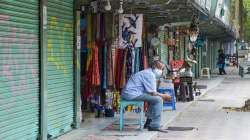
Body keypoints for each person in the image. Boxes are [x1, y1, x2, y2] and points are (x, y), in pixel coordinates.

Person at [121, 60, 171, 132]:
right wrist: (164, 96)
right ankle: (155, 125)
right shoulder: (150, 75)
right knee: (158, 99)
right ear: (154, 67)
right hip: (131, 94)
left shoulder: (148, 72)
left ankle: (149, 122)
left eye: (162, 69)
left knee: (154, 100)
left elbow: (151, 92)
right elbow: (153, 93)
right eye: (159, 68)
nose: (161, 71)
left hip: (131, 93)